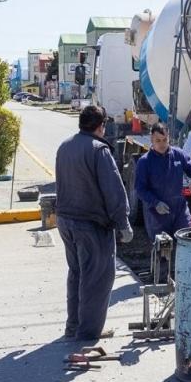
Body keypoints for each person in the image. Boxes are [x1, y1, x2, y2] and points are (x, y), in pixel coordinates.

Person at [55, 105, 132, 340]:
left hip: (65, 221)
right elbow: (113, 190)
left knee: (77, 274)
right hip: (91, 225)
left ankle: (74, 326)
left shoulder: (65, 146)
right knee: (97, 278)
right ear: (101, 126)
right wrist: (123, 222)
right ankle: (87, 333)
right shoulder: (99, 150)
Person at [135, 122, 191, 239]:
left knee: (185, 242)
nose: (162, 144)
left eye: (164, 140)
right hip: (158, 214)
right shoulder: (145, 162)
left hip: (180, 211)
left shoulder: (178, 155)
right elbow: (140, 189)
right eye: (158, 140)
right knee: (163, 249)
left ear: (169, 138)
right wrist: (155, 203)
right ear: (151, 139)